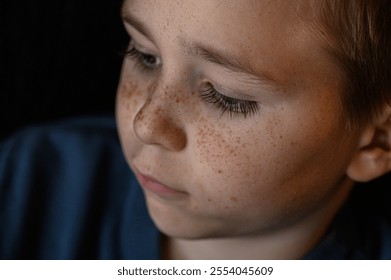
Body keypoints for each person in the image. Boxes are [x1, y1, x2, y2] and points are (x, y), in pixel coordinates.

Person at [1, 0, 390, 259]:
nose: (147, 123)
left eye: (226, 97)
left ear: (377, 140)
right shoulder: (28, 180)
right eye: (145, 55)